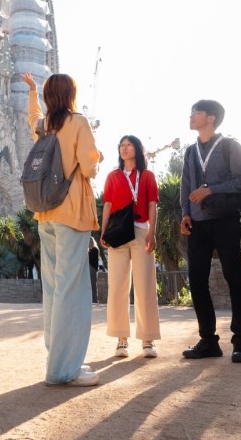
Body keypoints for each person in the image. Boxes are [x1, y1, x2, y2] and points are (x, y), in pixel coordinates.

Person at [23, 71, 102, 387]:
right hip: (72, 212)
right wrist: (97, 156)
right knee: (73, 289)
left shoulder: (45, 126)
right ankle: (63, 369)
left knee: (54, 290)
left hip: (46, 214)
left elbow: (32, 117)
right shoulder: (77, 122)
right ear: (71, 95)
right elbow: (89, 166)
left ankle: (57, 357)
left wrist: (31, 92)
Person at [179, 100, 241, 363]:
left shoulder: (230, 146)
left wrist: (210, 189)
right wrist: (185, 214)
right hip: (197, 224)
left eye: (195, 112)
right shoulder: (190, 152)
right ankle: (208, 340)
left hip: (225, 219)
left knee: (235, 279)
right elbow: (185, 184)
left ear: (210, 118)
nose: (190, 116)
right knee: (197, 281)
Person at [100, 135, 161, 359]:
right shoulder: (112, 176)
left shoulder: (147, 176)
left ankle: (148, 339)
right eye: (122, 146)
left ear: (137, 149)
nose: (125, 148)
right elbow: (107, 205)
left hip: (141, 230)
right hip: (117, 233)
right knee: (117, 286)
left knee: (145, 285)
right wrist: (103, 231)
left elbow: (153, 205)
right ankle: (121, 340)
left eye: (129, 145)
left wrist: (152, 232)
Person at [88, 236, 101, 304]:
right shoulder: (94, 250)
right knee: (92, 285)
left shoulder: (94, 250)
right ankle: (93, 299)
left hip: (92, 268)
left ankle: (94, 300)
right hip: (92, 268)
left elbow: (90, 259)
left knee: (93, 285)